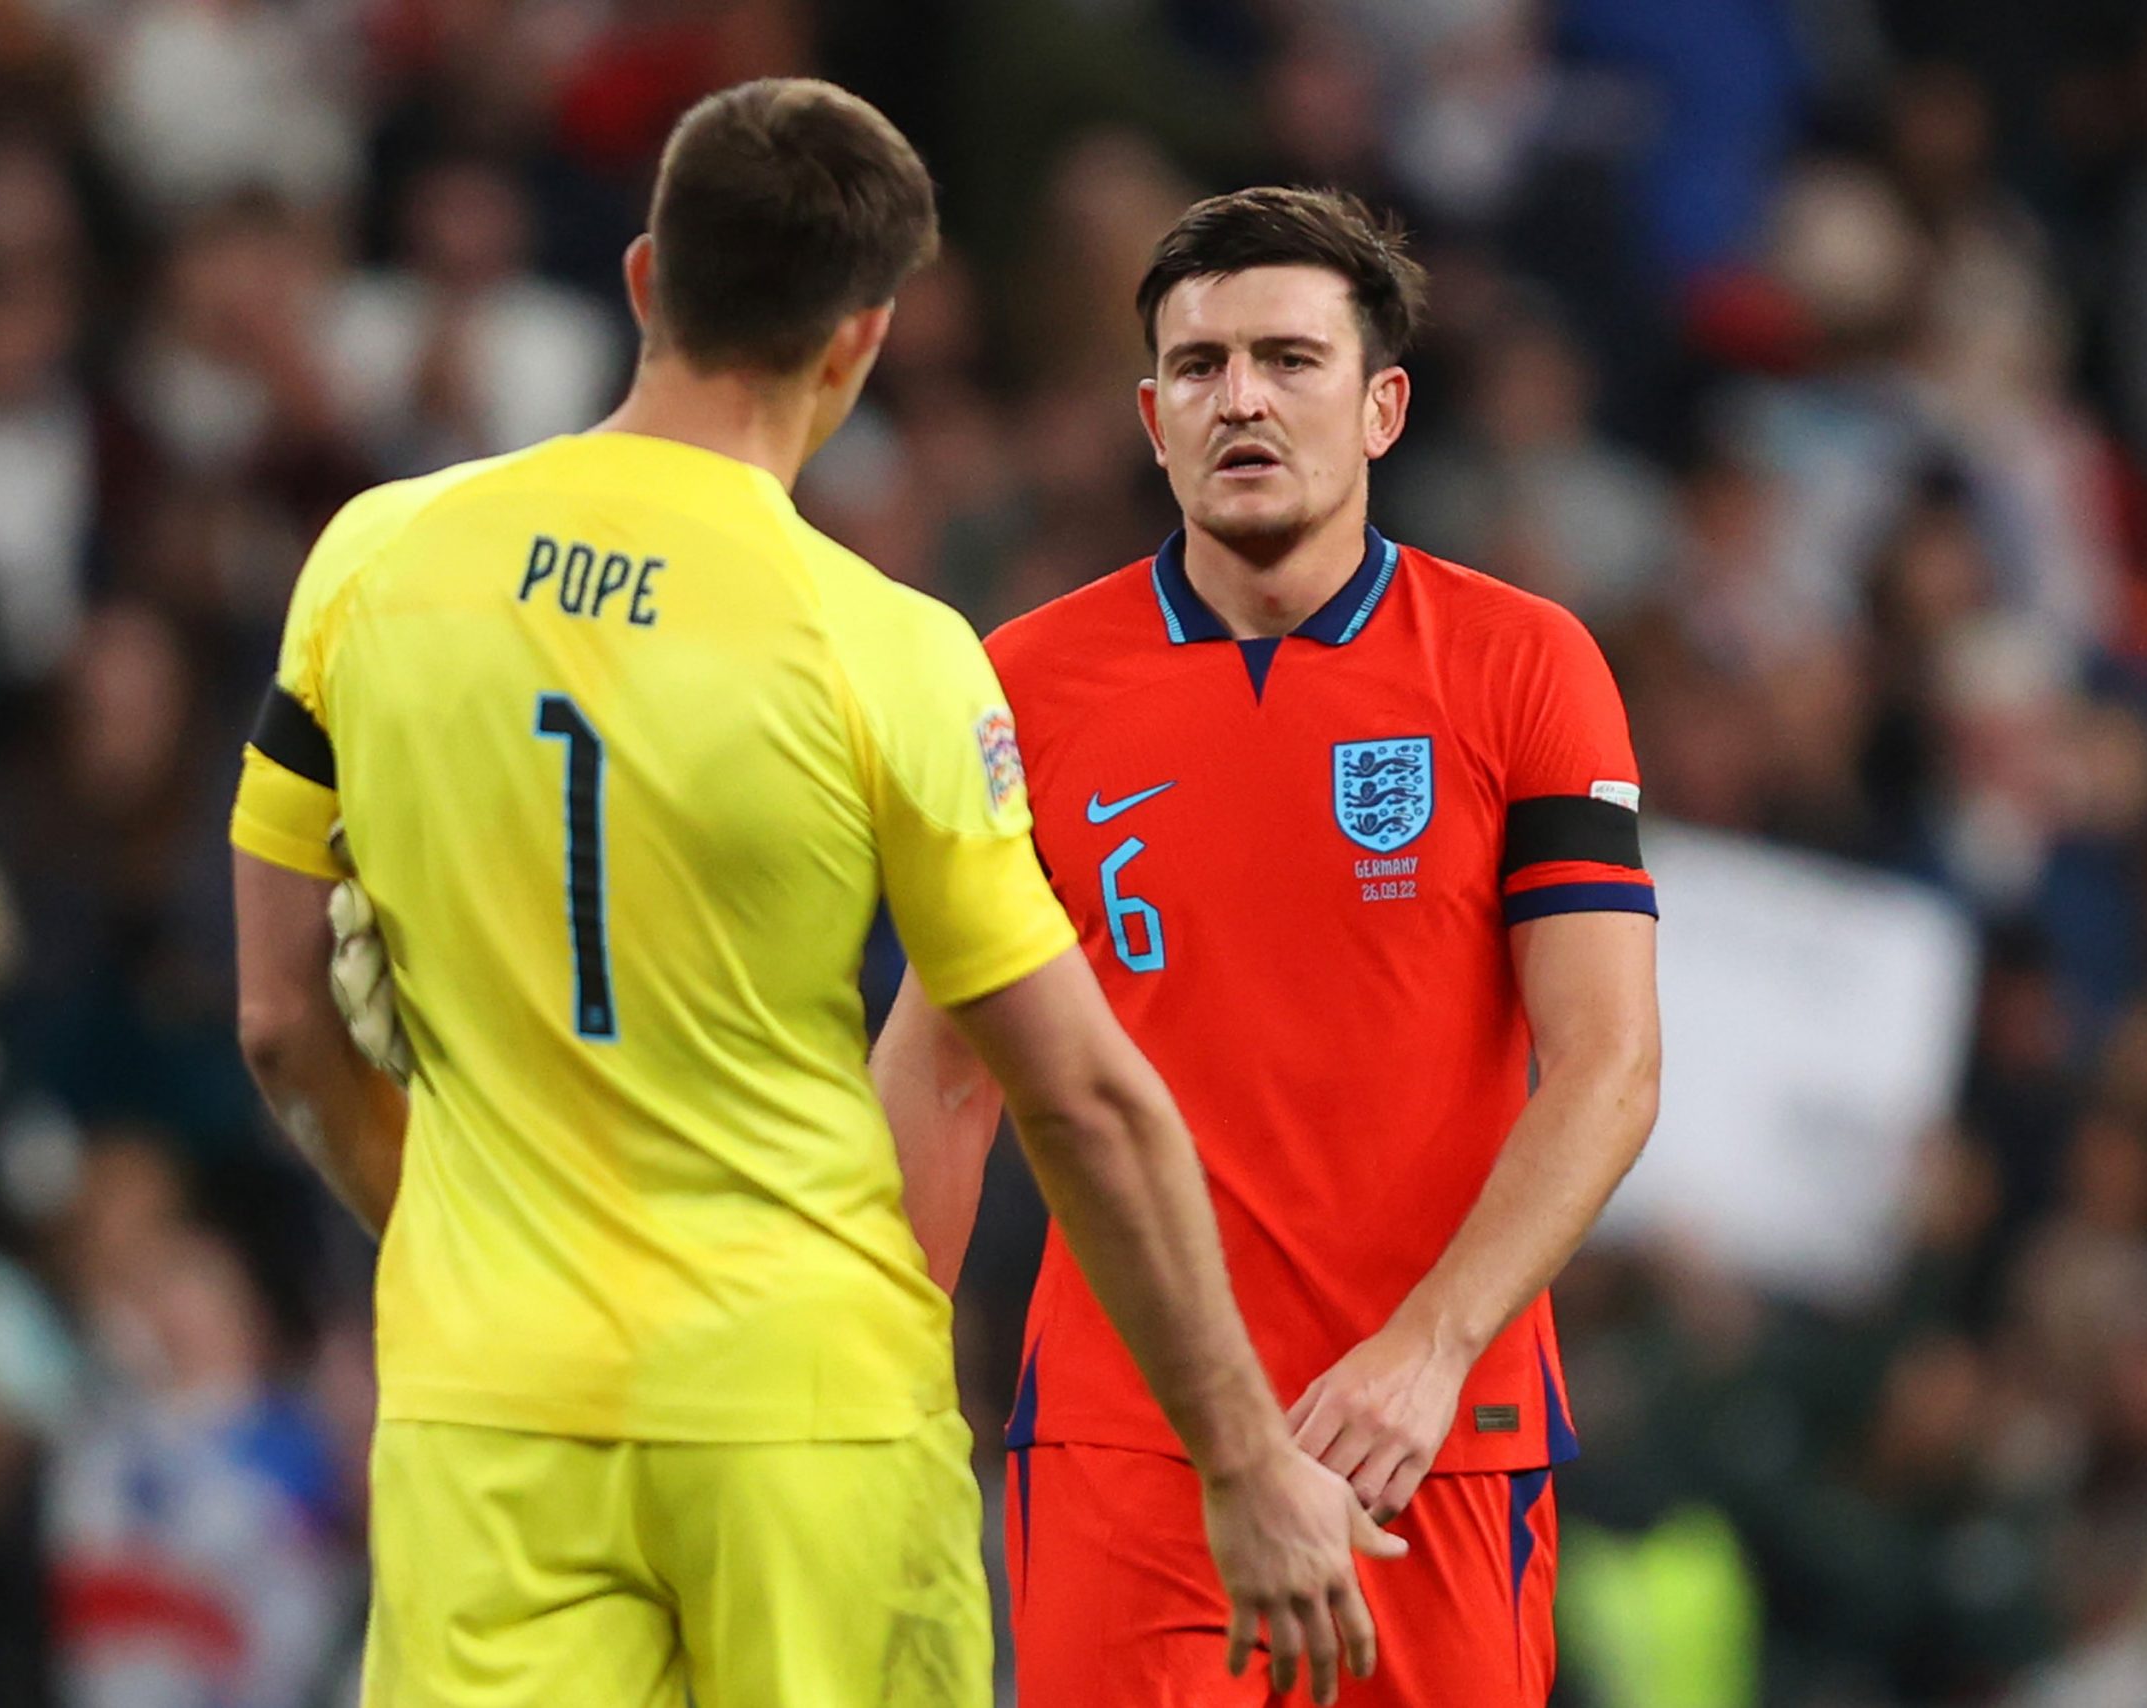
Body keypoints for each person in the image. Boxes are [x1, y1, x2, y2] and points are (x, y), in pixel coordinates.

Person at [227, 83, 1394, 1708]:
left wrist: (459, 1239)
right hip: (803, 1417)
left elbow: (283, 1019)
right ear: (860, 339)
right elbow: (1082, 1099)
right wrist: (1247, 1459)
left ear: (643, 278)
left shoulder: (371, 561)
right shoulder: (886, 651)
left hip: (491, 1410)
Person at [875, 186, 1663, 1706]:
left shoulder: (1523, 667)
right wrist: (878, 1404)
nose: (1241, 396)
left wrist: (1428, 1351)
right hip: (1131, 1445)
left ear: (1383, 407)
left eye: (1290, 360)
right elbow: (940, 1081)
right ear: (1150, 418)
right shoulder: (1020, 687)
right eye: (1200, 366)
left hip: (1437, 1436)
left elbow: (1612, 1065)